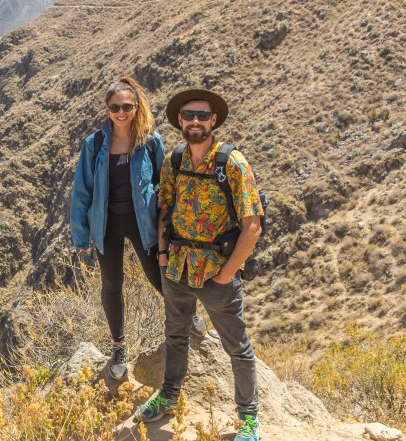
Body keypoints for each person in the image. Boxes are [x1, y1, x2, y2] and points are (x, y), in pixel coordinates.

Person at [133, 88, 264, 441]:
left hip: (215, 272)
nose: (195, 122)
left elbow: (252, 226)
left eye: (202, 116)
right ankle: (170, 396)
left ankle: (248, 418)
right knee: (175, 336)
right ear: (179, 120)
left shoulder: (232, 164)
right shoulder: (175, 161)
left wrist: (226, 274)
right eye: (188, 115)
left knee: (236, 346)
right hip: (177, 267)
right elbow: (165, 211)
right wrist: (162, 257)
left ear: (213, 121)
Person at [69, 78, 205, 381]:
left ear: (136, 107)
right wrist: (80, 235)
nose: (121, 112)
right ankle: (119, 347)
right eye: (115, 107)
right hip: (106, 225)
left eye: (127, 106)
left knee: (160, 276)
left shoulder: (150, 141)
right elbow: (82, 191)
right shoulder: (94, 145)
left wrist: (170, 222)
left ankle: (188, 313)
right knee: (112, 284)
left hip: (143, 222)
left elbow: (165, 182)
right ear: (107, 109)